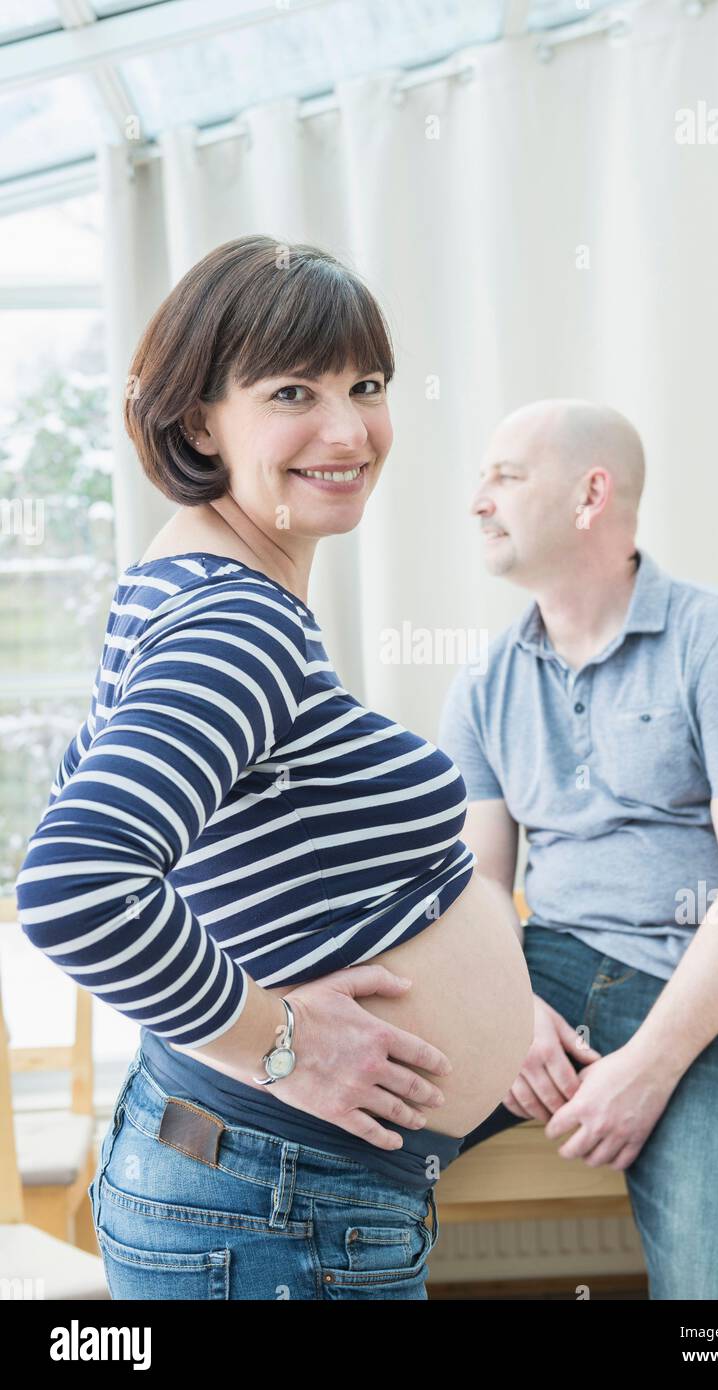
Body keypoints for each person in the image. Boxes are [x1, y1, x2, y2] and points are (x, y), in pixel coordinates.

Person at [14, 236, 536, 1301]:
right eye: (293, 390)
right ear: (198, 417)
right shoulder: (236, 622)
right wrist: (288, 1044)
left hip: (259, 1187)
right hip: (274, 1207)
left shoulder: (188, 579)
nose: (348, 430)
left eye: (368, 386)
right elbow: (74, 883)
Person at [438, 398, 718, 1300]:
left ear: (589, 496)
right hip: (553, 971)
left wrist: (646, 1070)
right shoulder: (483, 682)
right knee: (346, 1135)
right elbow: (480, 888)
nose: (477, 501)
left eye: (505, 475)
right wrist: (512, 1006)